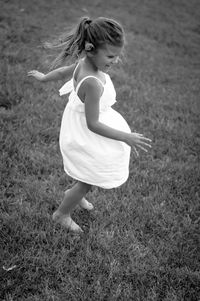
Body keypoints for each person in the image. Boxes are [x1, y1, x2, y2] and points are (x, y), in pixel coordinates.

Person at [28, 16, 152, 233]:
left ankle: (77, 194)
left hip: (79, 123)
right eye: (111, 56)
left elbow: (62, 72)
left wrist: (44, 78)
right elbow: (93, 124)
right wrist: (126, 137)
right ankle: (63, 211)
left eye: (117, 56)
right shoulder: (93, 83)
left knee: (88, 164)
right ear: (91, 49)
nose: (115, 61)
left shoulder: (84, 64)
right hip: (87, 129)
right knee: (91, 174)